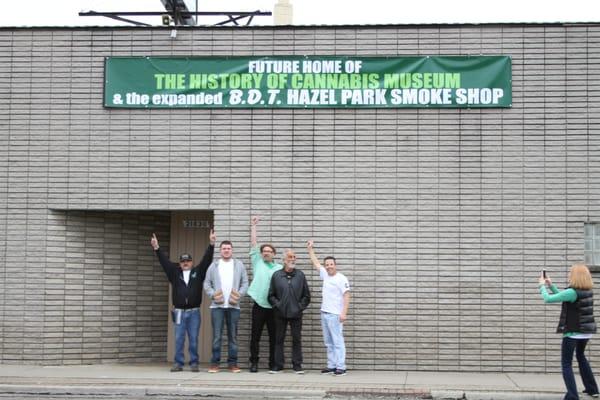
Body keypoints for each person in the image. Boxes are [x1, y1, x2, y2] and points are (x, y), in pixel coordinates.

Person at [150, 231, 215, 372]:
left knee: (193, 339)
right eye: (183, 261)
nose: (185, 263)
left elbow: (206, 260)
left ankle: (194, 363)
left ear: (191, 262)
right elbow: (164, 262)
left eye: (188, 261)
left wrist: (211, 245)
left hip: (194, 312)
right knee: (179, 339)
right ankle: (178, 363)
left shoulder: (198, 272)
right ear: (180, 263)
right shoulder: (174, 273)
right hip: (179, 312)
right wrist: (157, 248)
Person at [539, 264, 599, 399]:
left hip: (573, 332)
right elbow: (563, 296)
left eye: (570, 273)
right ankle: (592, 389)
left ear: (575, 276)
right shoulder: (587, 290)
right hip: (585, 332)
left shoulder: (573, 292)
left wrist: (541, 285)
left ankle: (572, 395)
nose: (568, 275)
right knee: (581, 356)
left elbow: (548, 299)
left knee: (566, 363)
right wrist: (550, 285)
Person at [203, 240, 249, 373]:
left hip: (234, 307)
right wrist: (213, 295)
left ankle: (232, 364)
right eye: (224, 248)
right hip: (217, 307)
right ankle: (214, 364)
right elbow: (207, 284)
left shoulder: (238, 265)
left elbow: (245, 283)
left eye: (228, 248)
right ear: (220, 250)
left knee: (233, 336)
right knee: (217, 336)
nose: (226, 250)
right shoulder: (214, 265)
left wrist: (238, 295)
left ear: (232, 250)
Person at [307, 240, 350, 376]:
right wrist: (310, 249)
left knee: (337, 341)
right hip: (324, 313)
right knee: (328, 342)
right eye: (327, 265)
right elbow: (316, 262)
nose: (329, 266)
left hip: (335, 315)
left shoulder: (341, 278)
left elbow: (347, 296)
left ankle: (341, 367)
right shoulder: (325, 275)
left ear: (335, 265)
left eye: (331, 264)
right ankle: (331, 365)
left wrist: (344, 313)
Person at [247, 216, 283, 372]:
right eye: (264, 251)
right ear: (261, 254)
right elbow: (254, 244)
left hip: (274, 307)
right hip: (259, 305)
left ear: (274, 254)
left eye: (269, 251)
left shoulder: (279, 268)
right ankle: (254, 362)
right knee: (255, 336)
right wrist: (254, 226)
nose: (266, 253)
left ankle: (273, 363)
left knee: (274, 338)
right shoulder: (257, 262)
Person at [268, 249, 311, 374]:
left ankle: (297, 365)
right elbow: (271, 295)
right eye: (290, 257)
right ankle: (278, 365)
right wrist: (278, 305)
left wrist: (299, 307)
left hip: (296, 313)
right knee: (278, 339)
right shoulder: (276, 275)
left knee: (296, 339)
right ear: (284, 260)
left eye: (294, 257)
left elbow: (306, 296)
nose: (292, 259)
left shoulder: (300, 275)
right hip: (280, 313)